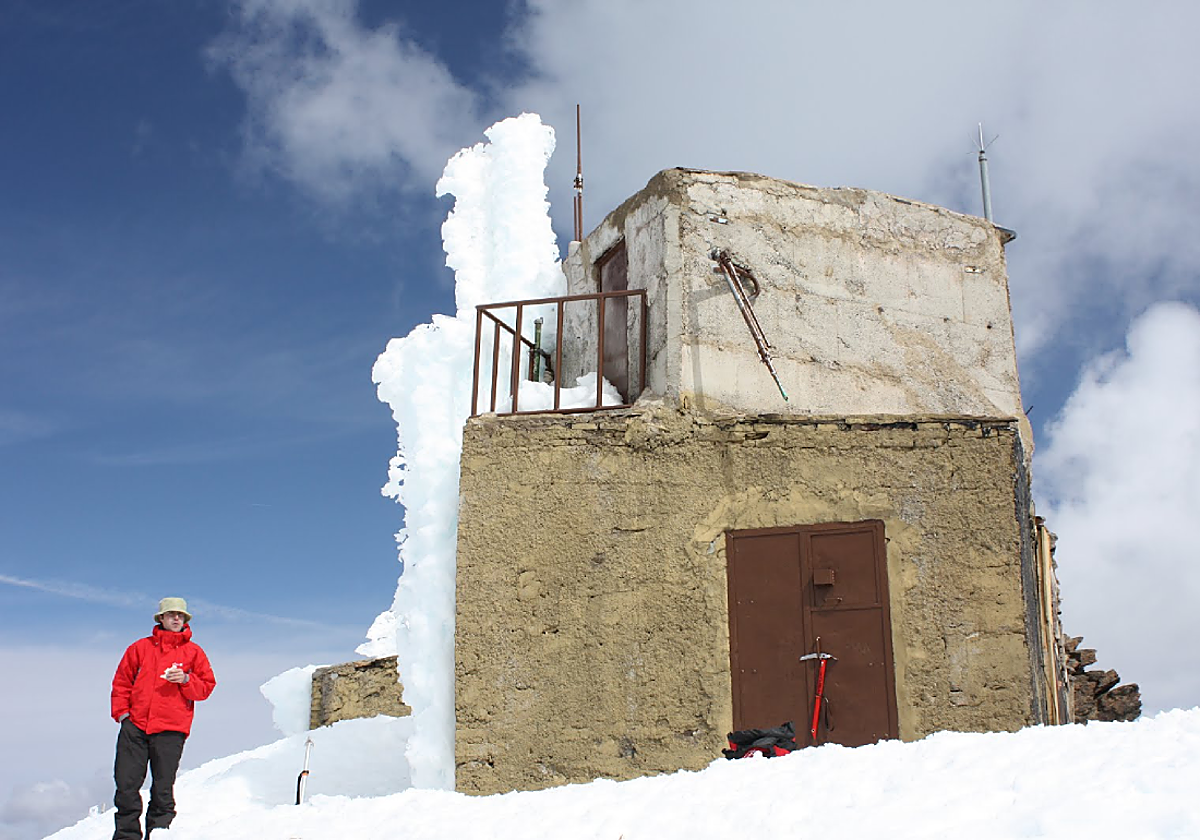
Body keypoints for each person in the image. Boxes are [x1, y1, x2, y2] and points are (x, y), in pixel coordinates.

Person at [110, 597, 216, 839]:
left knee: (162, 790)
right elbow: (121, 682)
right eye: (171, 615)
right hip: (135, 727)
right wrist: (124, 716)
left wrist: (187, 680)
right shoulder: (139, 648)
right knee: (126, 787)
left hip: (171, 729)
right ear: (161, 619)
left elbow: (206, 687)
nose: (176, 618)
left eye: (181, 615)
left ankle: (159, 834)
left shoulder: (194, 652)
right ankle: (126, 837)